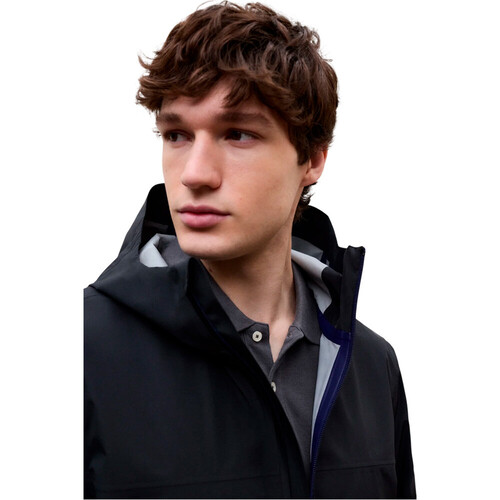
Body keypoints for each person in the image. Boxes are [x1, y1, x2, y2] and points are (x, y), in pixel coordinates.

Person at [84, 2, 416, 498]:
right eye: (176, 134)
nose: (194, 174)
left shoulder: (372, 367)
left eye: (237, 134)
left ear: (312, 158)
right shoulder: (81, 349)